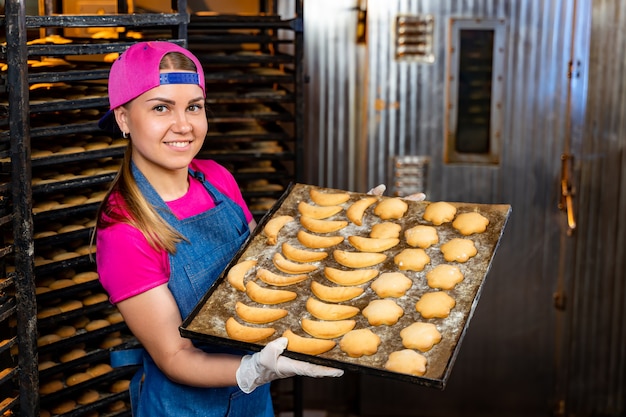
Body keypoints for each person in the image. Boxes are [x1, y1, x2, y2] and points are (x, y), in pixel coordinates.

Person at [95, 41, 343, 417]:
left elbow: (266, 267)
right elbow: (175, 355)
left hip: (253, 400)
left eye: (194, 106)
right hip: (185, 408)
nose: (183, 125)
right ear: (124, 119)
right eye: (161, 108)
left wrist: (338, 227)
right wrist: (251, 370)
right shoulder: (124, 230)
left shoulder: (216, 177)